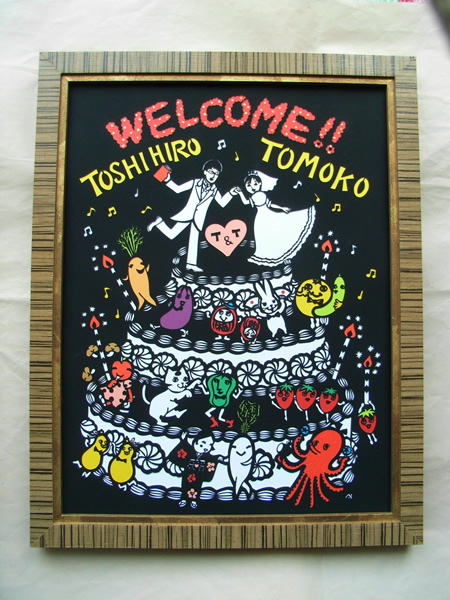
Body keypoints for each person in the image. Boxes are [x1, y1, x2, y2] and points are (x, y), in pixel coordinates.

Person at [148, 159, 238, 272]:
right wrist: (168, 180)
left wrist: (231, 193)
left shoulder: (214, 189)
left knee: (193, 239)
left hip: (199, 218)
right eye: (211, 172)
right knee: (171, 234)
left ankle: (190, 264)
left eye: (216, 174)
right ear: (205, 171)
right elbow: (178, 189)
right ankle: (159, 222)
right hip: (187, 214)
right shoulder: (195, 182)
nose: (213, 176)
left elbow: (222, 203)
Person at [235, 170, 316, 267]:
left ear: (260, 183)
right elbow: (246, 202)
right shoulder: (253, 197)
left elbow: (270, 204)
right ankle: (270, 256)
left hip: (270, 215)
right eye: (249, 185)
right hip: (260, 219)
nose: (252, 187)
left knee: (277, 233)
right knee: (265, 237)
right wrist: (240, 193)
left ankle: (284, 256)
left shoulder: (263, 194)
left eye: (255, 184)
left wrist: (282, 208)